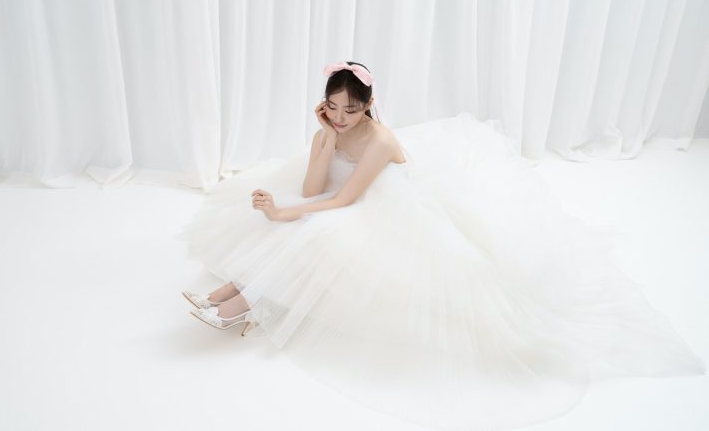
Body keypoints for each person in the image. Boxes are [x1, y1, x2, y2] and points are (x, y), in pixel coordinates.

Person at [177, 61, 706, 430]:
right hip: (341, 199)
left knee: (313, 231)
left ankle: (241, 301)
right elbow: (313, 188)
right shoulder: (329, 130)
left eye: (350, 111)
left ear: (369, 107)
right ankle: (238, 294)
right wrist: (325, 141)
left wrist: (284, 212)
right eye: (332, 108)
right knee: (293, 217)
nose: (340, 117)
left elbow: (341, 202)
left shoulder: (381, 140)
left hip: (385, 212)